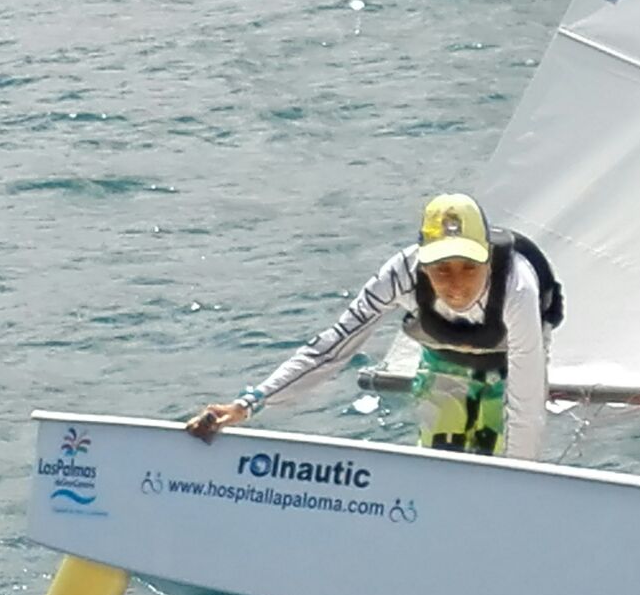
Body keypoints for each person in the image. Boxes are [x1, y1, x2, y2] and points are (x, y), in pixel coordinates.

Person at [184, 193, 562, 459]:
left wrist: (518, 481)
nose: (457, 284)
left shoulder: (516, 287)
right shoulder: (400, 273)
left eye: (469, 268)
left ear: (487, 261)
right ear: (424, 265)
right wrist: (248, 404)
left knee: (495, 449)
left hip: (510, 360)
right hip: (445, 359)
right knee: (443, 450)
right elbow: (331, 350)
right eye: (442, 269)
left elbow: (526, 404)